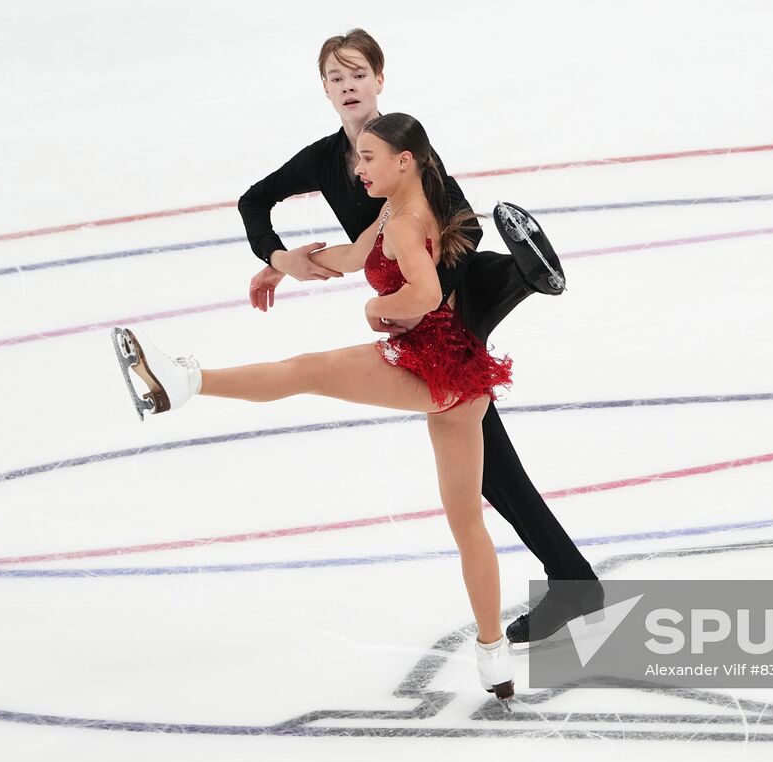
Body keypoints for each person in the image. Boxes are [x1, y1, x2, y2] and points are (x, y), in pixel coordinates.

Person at [113, 113, 516, 700]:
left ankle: (182, 383)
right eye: (359, 158)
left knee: (305, 371)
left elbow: (426, 293)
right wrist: (287, 264)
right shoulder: (397, 207)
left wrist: (376, 314)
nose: (358, 168)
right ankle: (492, 656)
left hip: (430, 364)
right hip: (463, 381)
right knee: (467, 523)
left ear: (404, 161)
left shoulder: (405, 222)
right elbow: (355, 260)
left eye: (370, 158)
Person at [238, 29, 603, 648]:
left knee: (486, 466)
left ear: (380, 79)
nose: (348, 86)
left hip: (441, 313)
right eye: (335, 77)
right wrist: (282, 257)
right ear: (324, 90)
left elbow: (461, 224)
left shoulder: (404, 146)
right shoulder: (326, 161)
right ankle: (572, 577)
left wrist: (428, 306)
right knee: (492, 470)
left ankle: (515, 278)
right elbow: (254, 201)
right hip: (409, 310)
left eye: (358, 74)